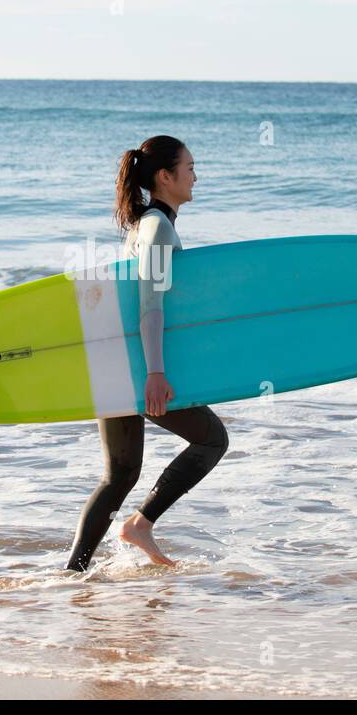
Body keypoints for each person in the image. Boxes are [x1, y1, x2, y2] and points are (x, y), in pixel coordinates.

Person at [65, 136, 229, 572]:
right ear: (165, 176)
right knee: (212, 438)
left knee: (119, 476)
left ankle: (72, 576)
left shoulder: (144, 226)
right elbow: (150, 306)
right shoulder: (157, 228)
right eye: (190, 167)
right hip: (137, 364)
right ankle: (140, 524)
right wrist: (155, 372)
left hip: (113, 361)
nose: (196, 176)